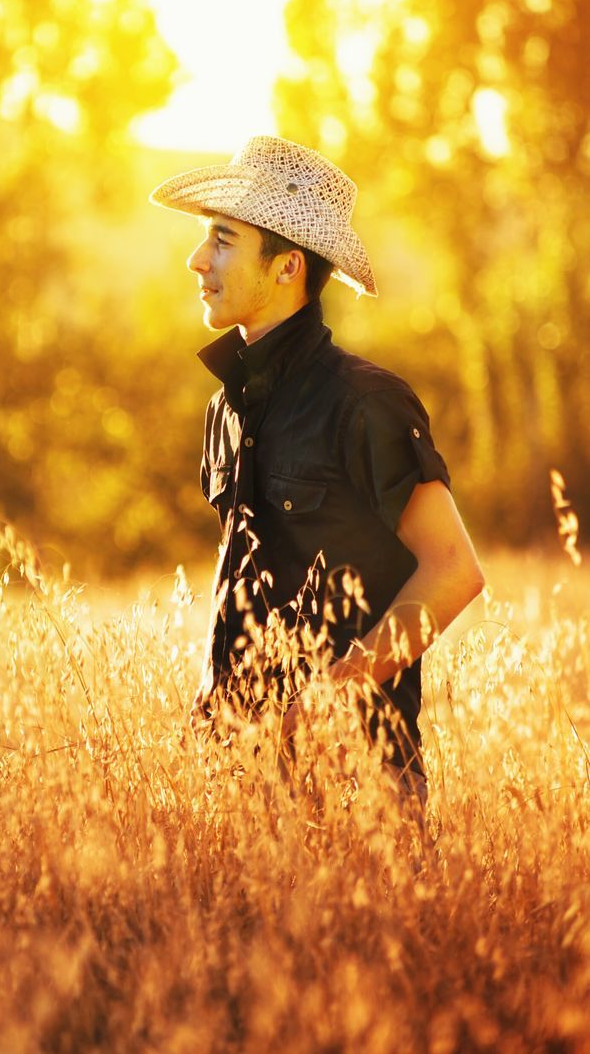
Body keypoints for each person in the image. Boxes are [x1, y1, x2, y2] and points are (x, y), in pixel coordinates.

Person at [150, 135, 484, 798]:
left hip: (359, 782)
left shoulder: (364, 403)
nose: (195, 261)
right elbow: (238, 588)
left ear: (286, 268)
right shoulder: (225, 410)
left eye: (220, 239)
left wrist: (331, 698)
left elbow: (454, 571)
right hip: (236, 775)